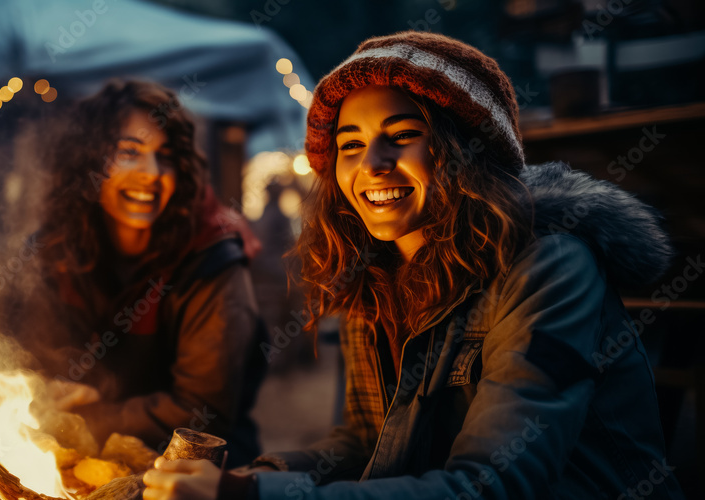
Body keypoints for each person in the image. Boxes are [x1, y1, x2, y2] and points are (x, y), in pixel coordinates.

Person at [143, 31, 684, 499]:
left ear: (465, 151)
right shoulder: (374, 271)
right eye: (349, 146)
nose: (372, 166)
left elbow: (494, 485)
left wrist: (250, 494)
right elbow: (363, 444)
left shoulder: (550, 266)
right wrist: (256, 474)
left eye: (402, 137)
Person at [24, 80, 266, 466]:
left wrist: (91, 414)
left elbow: (203, 413)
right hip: (83, 460)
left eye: (165, 156)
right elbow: (21, 353)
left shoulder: (212, 256)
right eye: (129, 152)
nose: (152, 173)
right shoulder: (56, 248)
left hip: (200, 473)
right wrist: (45, 390)